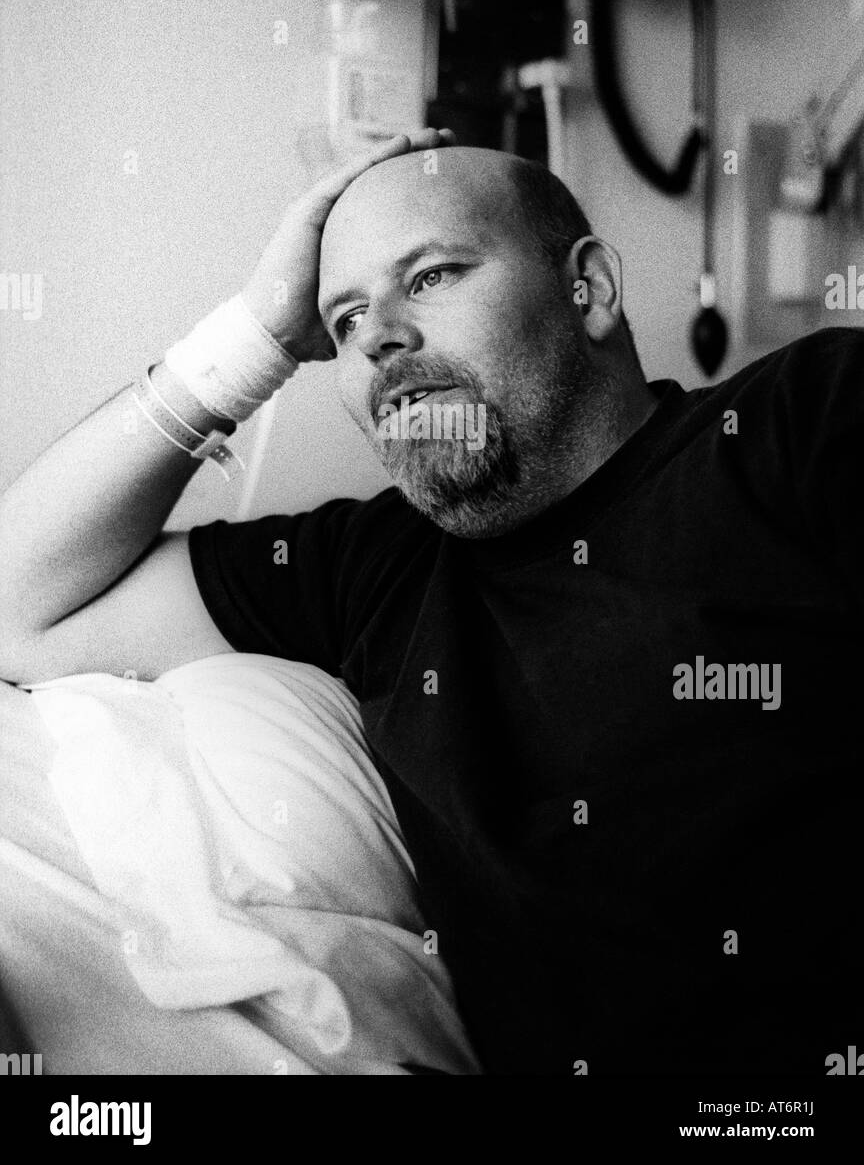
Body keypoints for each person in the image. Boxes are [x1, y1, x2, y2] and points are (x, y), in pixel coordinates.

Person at [1, 128, 860, 1075]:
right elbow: (17, 608)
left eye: (433, 276)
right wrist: (253, 338)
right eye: (342, 321)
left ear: (591, 290)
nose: (377, 338)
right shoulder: (373, 569)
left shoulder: (803, 423)